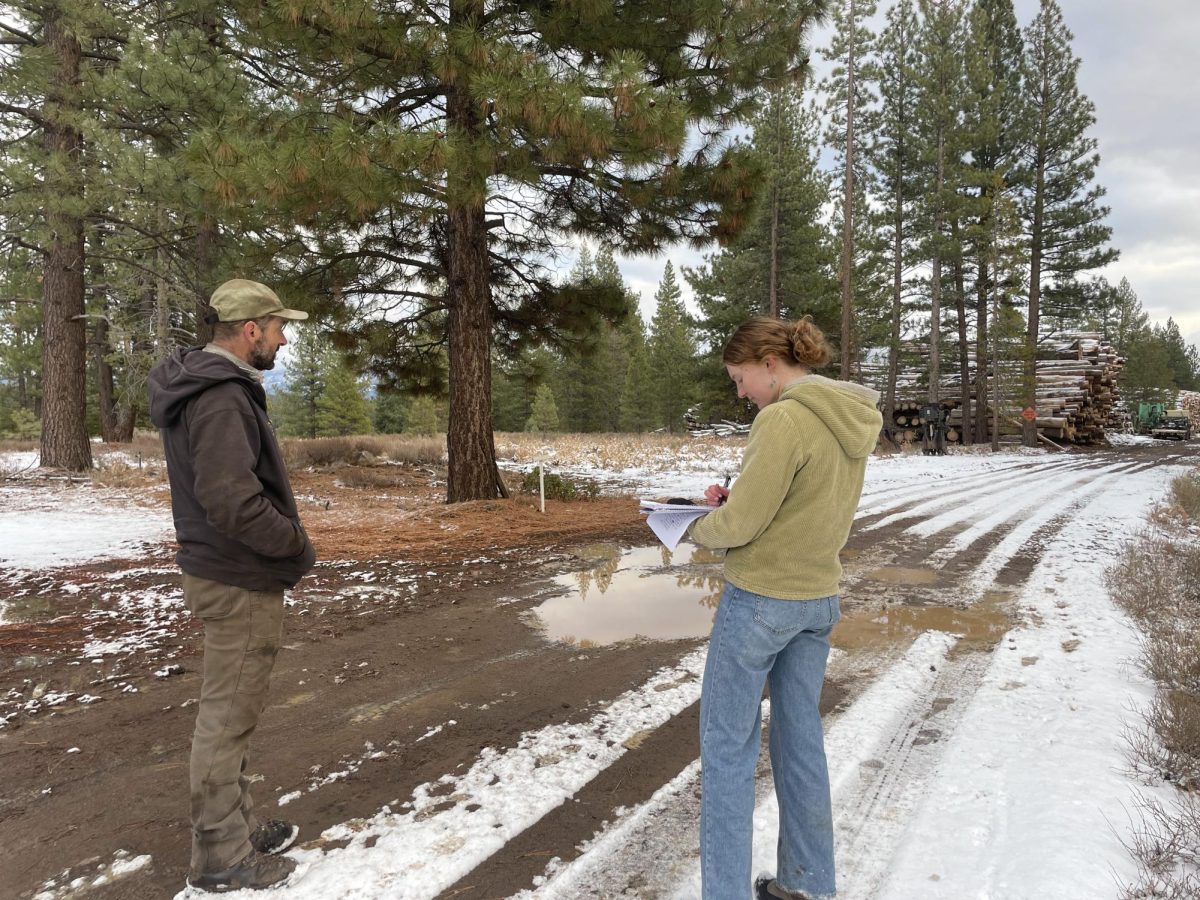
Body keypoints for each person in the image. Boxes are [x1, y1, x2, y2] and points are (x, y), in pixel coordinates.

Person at [687, 316, 882, 900]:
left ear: (770, 363)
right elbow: (798, 503)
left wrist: (694, 524)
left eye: (740, 377)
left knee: (726, 750)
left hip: (761, 603)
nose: (739, 392)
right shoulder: (846, 418)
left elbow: (740, 527)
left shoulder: (783, 418)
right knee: (800, 742)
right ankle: (808, 884)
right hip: (817, 599)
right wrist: (736, 498)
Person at [148, 279, 317, 892]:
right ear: (251, 331)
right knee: (225, 719)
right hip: (236, 575)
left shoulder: (213, 387)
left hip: (223, 569)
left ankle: (238, 826)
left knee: (235, 714)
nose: (283, 337)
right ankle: (223, 859)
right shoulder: (221, 397)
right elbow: (232, 502)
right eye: (277, 328)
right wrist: (294, 546)